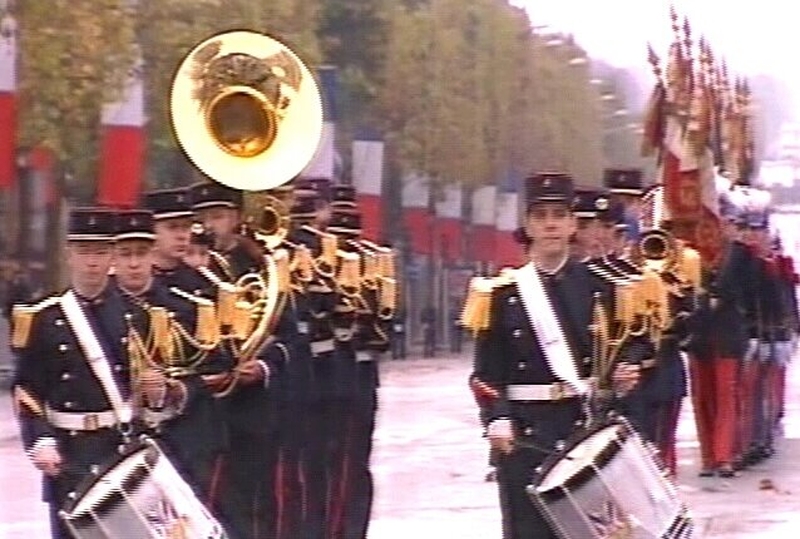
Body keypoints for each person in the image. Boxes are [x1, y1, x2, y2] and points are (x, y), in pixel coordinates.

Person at [467, 172, 639, 539]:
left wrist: (626, 373)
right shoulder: (501, 294)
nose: (550, 225)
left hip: (583, 426)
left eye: (558, 215)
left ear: (572, 223)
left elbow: (630, 345)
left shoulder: (602, 288)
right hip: (525, 433)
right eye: (541, 216)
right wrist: (496, 419)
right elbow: (485, 373)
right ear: (527, 224)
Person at [11, 208, 183, 538]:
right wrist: (42, 440)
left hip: (122, 451)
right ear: (70, 255)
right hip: (69, 455)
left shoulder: (141, 317)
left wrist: (158, 394)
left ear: (112, 258)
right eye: (84, 252)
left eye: (102, 252)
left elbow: (158, 405)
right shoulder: (43, 318)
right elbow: (28, 391)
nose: (93, 262)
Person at [189, 180, 263, 280]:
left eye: (217, 217)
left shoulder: (255, 256)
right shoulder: (189, 261)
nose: (208, 225)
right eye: (200, 218)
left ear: (238, 218)